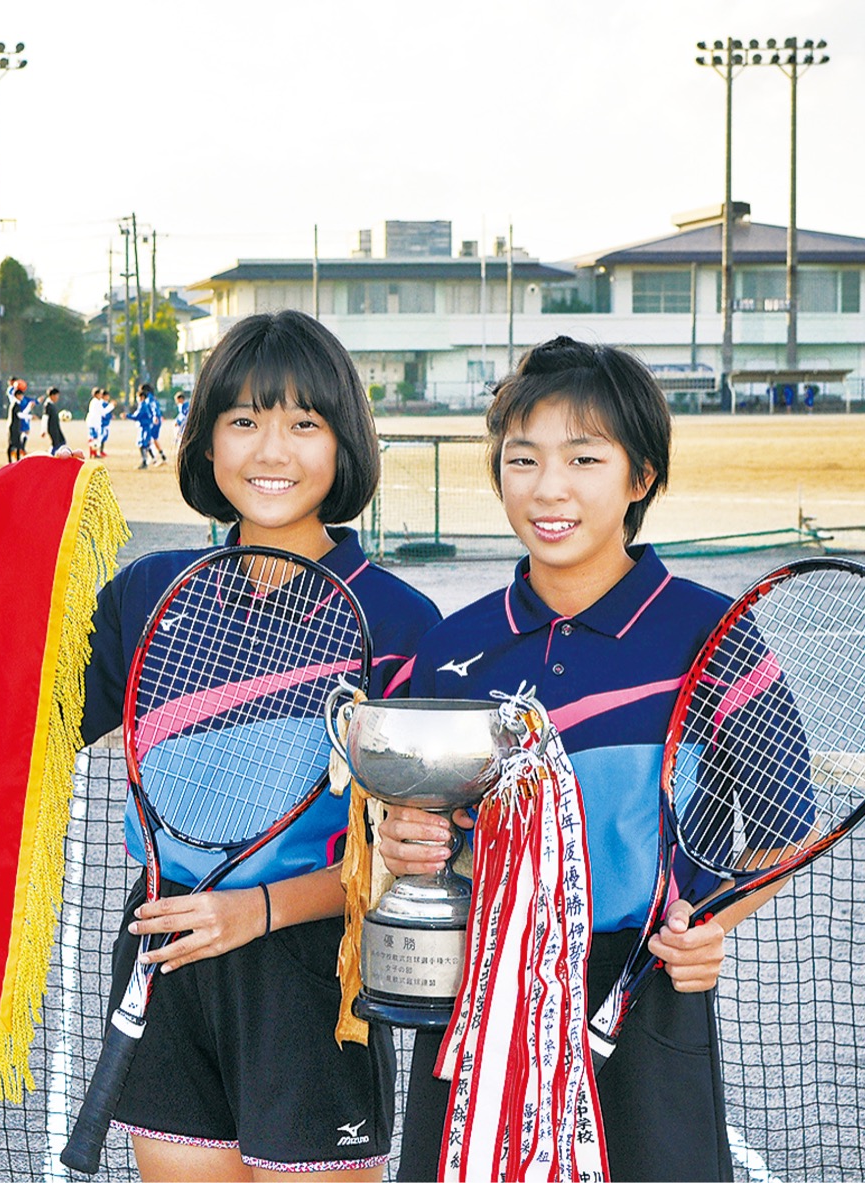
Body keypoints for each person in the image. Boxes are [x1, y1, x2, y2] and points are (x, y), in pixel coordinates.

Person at [379, 336, 786, 1183]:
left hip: (641, 988)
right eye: (522, 458)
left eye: (584, 457)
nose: (548, 487)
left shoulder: (712, 632)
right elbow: (428, 824)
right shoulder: (457, 645)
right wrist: (409, 845)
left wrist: (707, 926)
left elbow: (782, 826)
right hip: (482, 985)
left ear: (640, 477)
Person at [80, 309, 441, 1180]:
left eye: (302, 424)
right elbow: (28, 726)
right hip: (166, 949)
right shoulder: (146, 596)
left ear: (343, 443)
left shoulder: (400, 622)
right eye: (243, 420)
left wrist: (255, 910)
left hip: (312, 973)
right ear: (205, 444)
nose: (270, 450)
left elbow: (418, 852)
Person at [126, 387, 157, 469]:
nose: (137, 399)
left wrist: (127, 415)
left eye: (138, 397)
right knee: (145, 444)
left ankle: (145, 462)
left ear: (142, 397)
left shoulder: (143, 406)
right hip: (145, 426)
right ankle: (151, 459)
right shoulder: (145, 405)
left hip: (145, 427)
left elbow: (136, 416)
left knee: (142, 444)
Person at [41, 387, 73, 456]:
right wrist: (43, 430)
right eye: (57, 395)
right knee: (56, 444)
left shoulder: (52, 404)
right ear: (52, 395)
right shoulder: (47, 405)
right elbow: (45, 418)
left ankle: (55, 455)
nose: (58, 397)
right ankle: (51, 456)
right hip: (52, 429)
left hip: (56, 428)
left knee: (62, 442)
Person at [85, 387, 106, 458]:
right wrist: (111, 406)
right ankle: (93, 453)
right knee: (93, 438)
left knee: (94, 438)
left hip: (94, 423)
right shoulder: (96, 402)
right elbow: (103, 412)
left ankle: (93, 453)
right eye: (100, 394)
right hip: (93, 423)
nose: (101, 395)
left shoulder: (94, 401)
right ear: (96, 394)